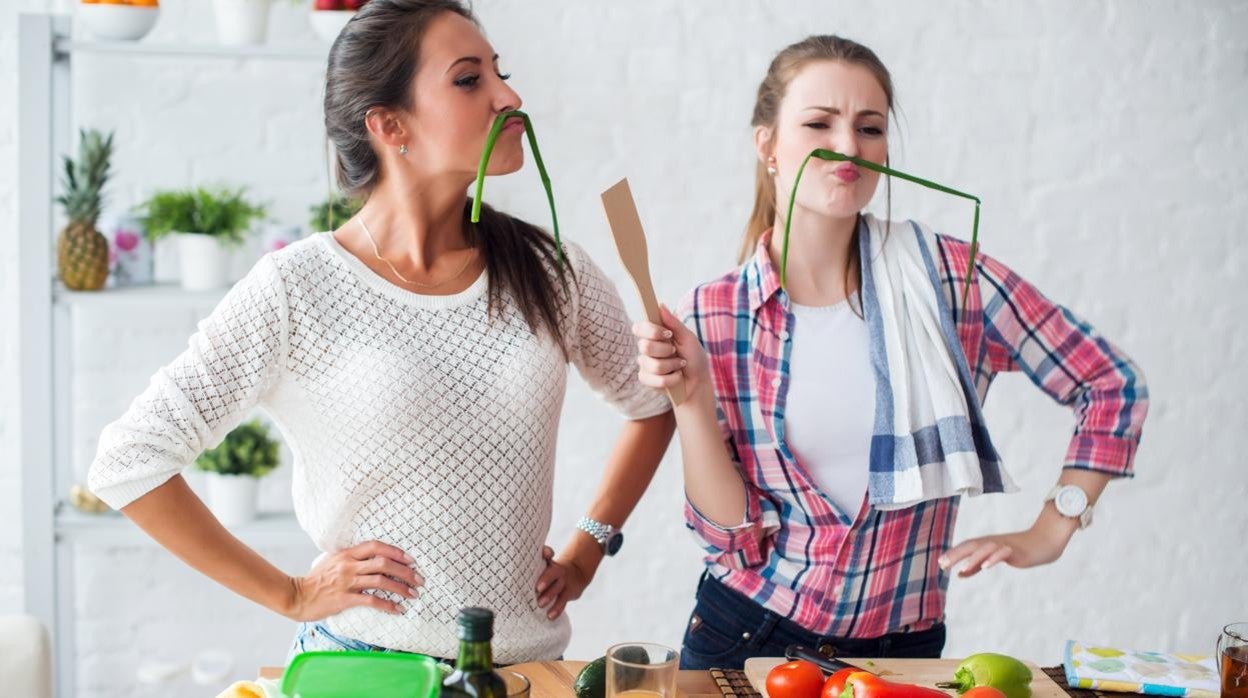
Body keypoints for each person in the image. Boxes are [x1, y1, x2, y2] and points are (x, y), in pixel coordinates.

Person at [87, 0, 674, 665]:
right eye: (468, 79)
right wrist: (291, 594)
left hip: (527, 669)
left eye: (498, 73)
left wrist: (589, 545)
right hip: (366, 666)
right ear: (390, 124)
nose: (508, 97)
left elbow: (654, 404)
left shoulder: (548, 269)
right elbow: (129, 461)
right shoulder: (298, 288)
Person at [631, 34, 1147, 669]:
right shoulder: (713, 313)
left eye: (869, 128)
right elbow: (731, 543)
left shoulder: (950, 282)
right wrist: (690, 401)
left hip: (903, 653)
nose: (848, 147)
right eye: (820, 123)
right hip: (746, 639)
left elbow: (1110, 384)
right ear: (767, 144)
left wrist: (1055, 526)